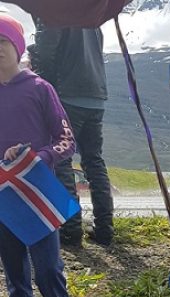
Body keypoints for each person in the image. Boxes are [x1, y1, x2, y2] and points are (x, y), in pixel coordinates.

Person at [0, 13, 94, 297]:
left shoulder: (40, 88)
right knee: (16, 278)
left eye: (2, 43)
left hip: (38, 196)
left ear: (17, 47)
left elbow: (66, 140)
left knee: (50, 272)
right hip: (4, 200)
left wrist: (39, 156)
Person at [29, 21, 114, 247]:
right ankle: (104, 229)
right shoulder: (89, 14)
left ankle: (70, 229)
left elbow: (47, 50)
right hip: (96, 94)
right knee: (94, 160)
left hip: (67, 94)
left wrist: (41, 83)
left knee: (61, 160)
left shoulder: (56, 10)